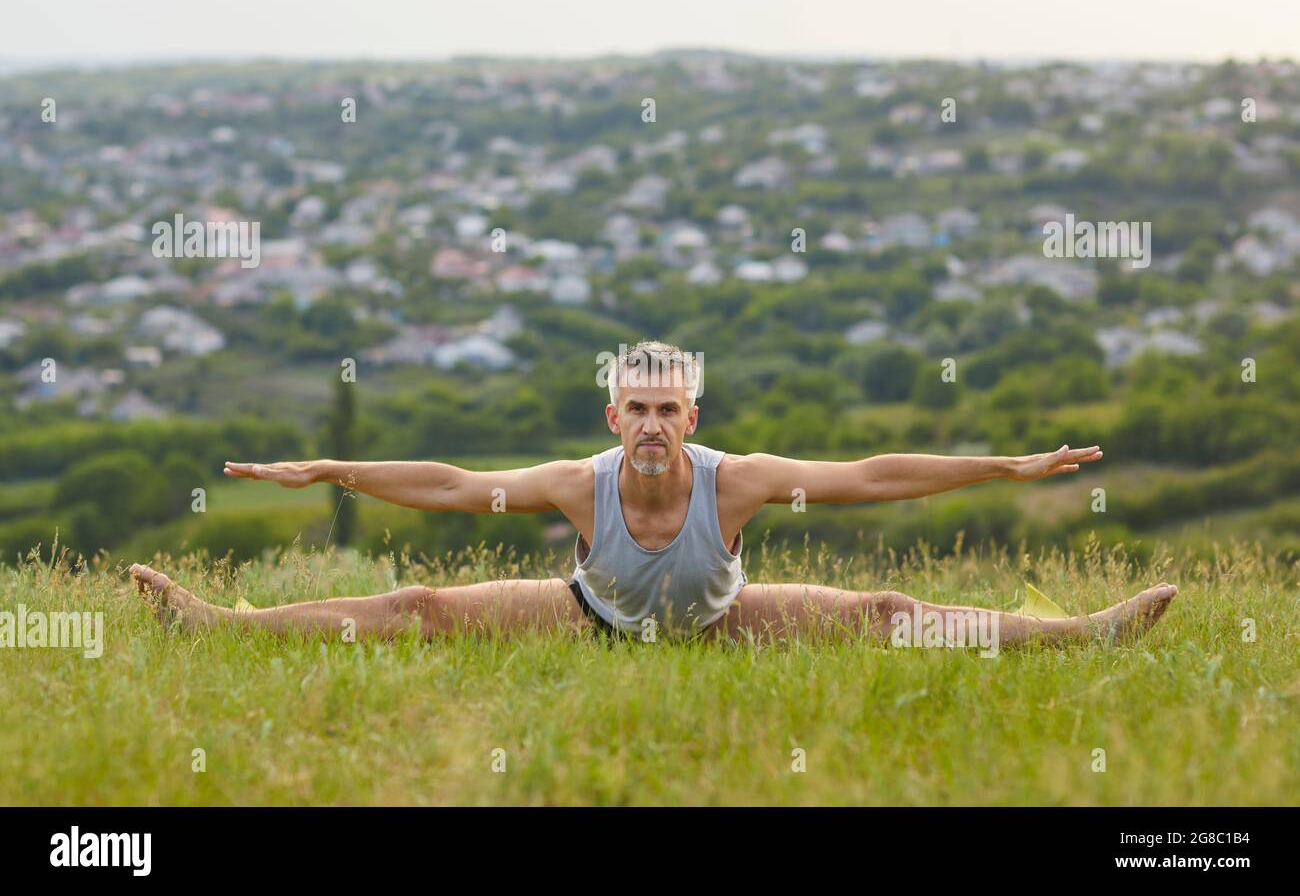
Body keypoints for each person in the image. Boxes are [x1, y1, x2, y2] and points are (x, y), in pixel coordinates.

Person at [131, 340, 1177, 648]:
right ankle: (219, 621)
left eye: (667, 407)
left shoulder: (742, 481)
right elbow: (453, 483)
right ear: (610, 417)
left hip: (722, 625)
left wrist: (1005, 467)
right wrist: (333, 470)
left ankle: (1083, 633)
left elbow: (871, 476)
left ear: (690, 414)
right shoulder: (574, 487)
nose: (649, 423)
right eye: (633, 405)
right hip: (590, 622)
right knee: (418, 609)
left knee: (887, 614)